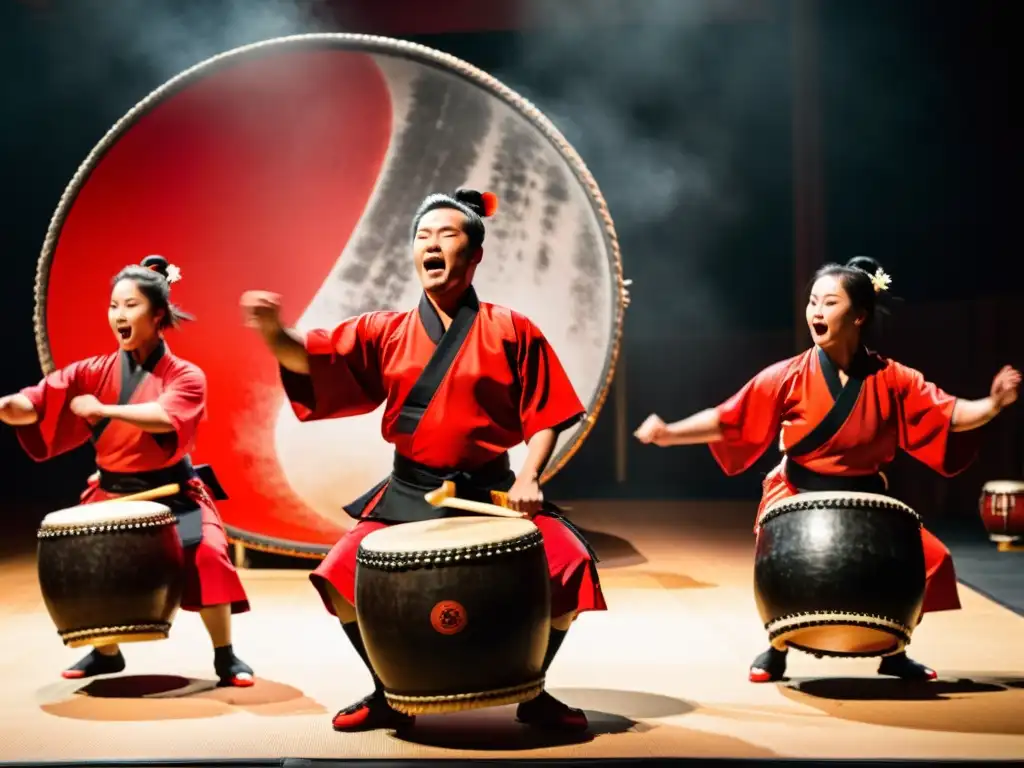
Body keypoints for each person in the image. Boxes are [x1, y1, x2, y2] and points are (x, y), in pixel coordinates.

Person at [242, 188, 604, 733]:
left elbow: (547, 412)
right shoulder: (385, 331)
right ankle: (388, 692)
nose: (431, 243)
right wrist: (273, 332)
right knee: (338, 577)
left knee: (570, 563)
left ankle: (533, 689)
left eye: (446, 234)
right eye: (422, 236)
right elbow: (311, 357)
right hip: (410, 491)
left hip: (492, 492)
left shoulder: (512, 329)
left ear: (475, 254)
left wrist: (530, 475)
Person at [634, 256, 1020, 684]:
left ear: (859, 315)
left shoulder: (894, 378)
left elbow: (950, 413)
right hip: (798, 494)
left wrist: (993, 404)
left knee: (931, 560)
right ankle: (777, 645)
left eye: (829, 303)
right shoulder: (789, 375)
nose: (816, 312)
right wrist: (668, 432)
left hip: (867, 500)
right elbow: (729, 418)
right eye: (813, 302)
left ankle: (894, 648)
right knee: (785, 562)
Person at [0, 256, 254, 687]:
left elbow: (164, 417)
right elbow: (36, 401)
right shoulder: (91, 371)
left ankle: (225, 655)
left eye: (130, 305)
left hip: (173, 491)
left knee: (208, 554)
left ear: (157, 316)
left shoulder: (185, 375)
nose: (119, 314)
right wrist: (9, 408)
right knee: (83, 561)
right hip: (111, 492)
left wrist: (103, 409)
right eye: (114, 305)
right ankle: (105, 653)